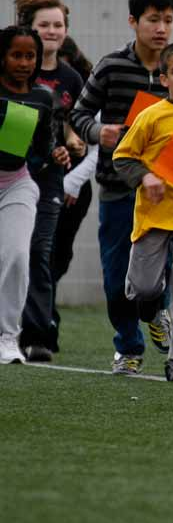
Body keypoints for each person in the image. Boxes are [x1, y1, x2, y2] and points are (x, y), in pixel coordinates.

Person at [70, 0, 173, 375]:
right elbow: (79, 115)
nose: (161, 28)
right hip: (119, 188)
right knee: (118, 277)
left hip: (167, 192)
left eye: (168, 20)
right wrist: (101, 133)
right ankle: (128, 347)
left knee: (161, 273)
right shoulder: (111, 66)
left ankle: (155, 313)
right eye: (153, 20)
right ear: (133, 21)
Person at [113, 43, 173, 382]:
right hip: (153, 217)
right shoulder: (150, 115)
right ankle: (152, 312)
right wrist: (146, 177)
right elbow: (122, 158)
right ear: (164, 79)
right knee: (145, 290)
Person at [13, 0, 85, 361]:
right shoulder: (16, 72)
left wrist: (72, 143)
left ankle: (38, 335)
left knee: (40, 250)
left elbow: (75, 125)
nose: (52, 31)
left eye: (58, 25)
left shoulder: (72, 77)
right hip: (13, 174)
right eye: (45, 25)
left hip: (49, 179)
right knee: (13, 253)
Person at [0, 26, 68, 364]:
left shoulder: (41, 98)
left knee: (16, 256)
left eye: (30, 56)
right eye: (17, 55)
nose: (24, 63)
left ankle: (8, 337)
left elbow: (41, 149)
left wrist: (56, 154)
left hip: (17, 183)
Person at [51, 36, 96, 346]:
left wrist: (74, 181)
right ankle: (42, 318)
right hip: (39, 180)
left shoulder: (82, 88)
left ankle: (44, 310)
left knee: (59, 254)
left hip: (74, 184)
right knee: (36, 252)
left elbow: (98, 149)